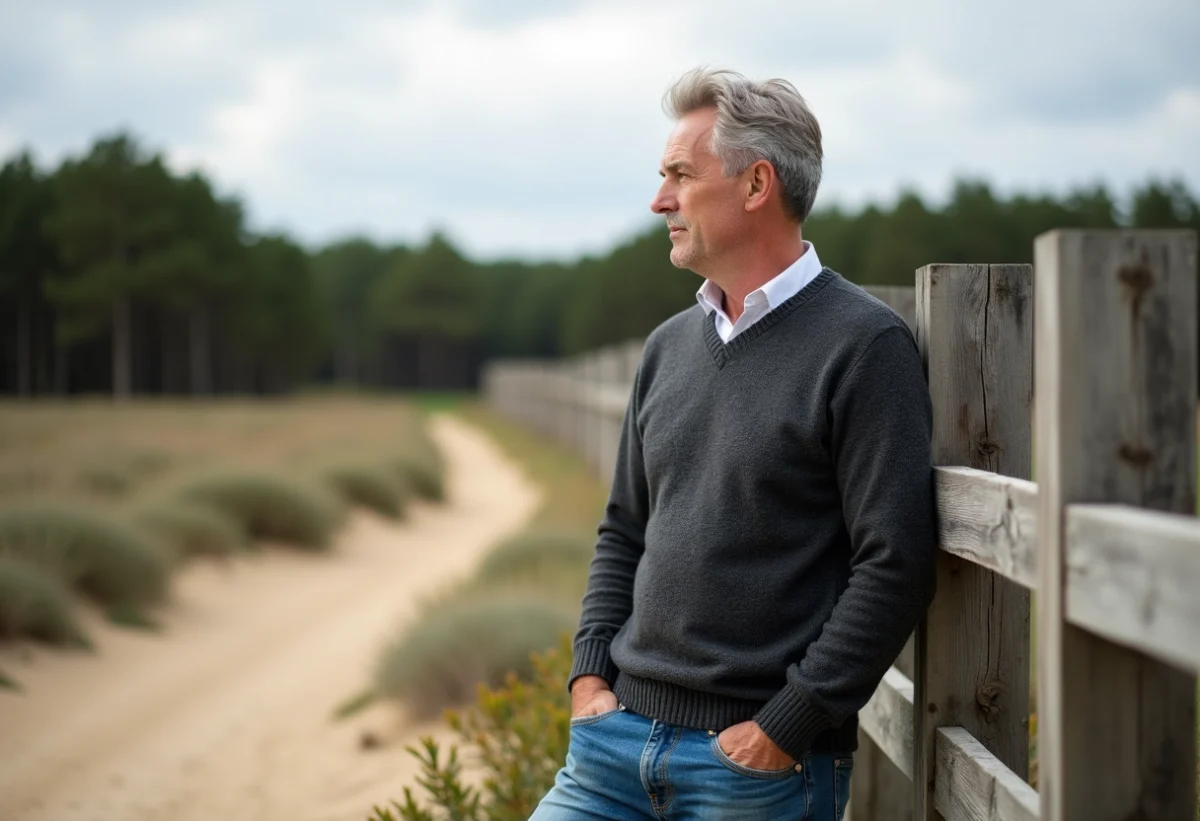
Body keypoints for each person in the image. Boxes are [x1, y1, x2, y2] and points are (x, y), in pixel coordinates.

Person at [529, 67, 937, 821]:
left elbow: (896, 561)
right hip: (610, 750)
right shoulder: (667, 346)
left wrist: (784, 726)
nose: (659, 201)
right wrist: (590, 680)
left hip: (749, 772)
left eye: (680, 175)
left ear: (757, 184)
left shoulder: (864, 345)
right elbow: (624, 528)